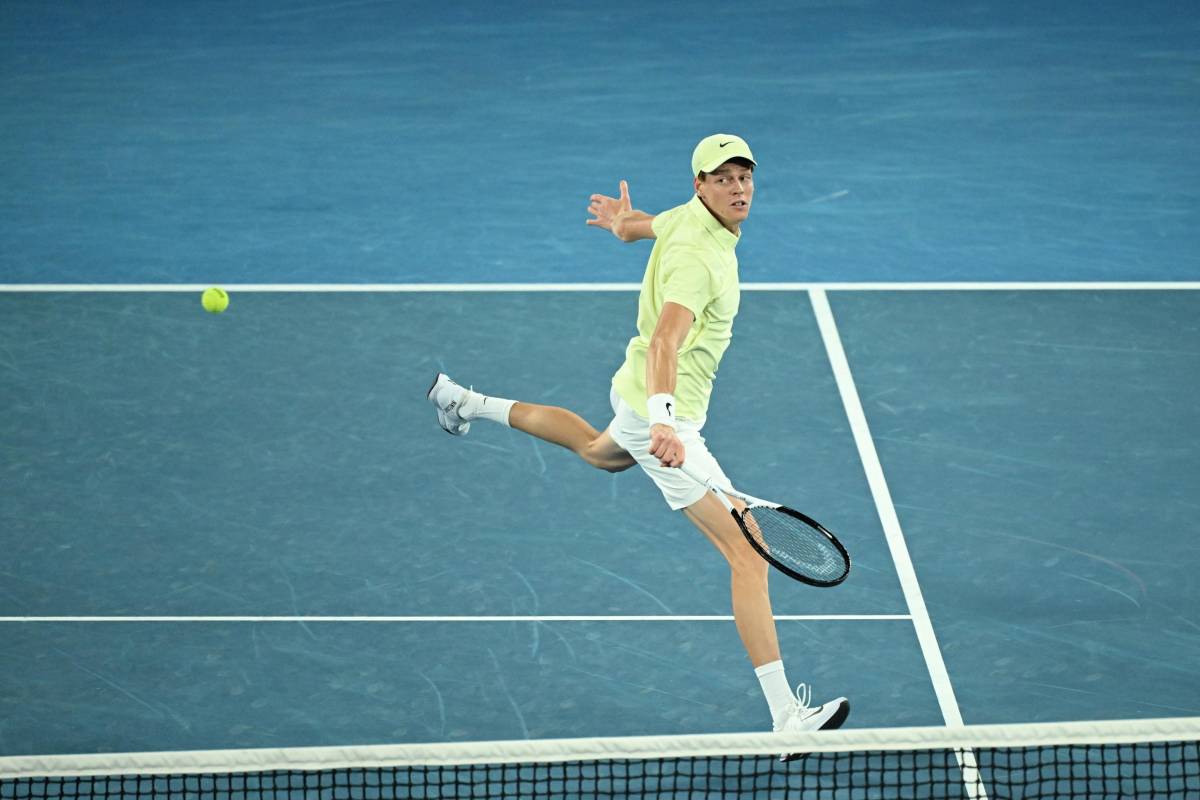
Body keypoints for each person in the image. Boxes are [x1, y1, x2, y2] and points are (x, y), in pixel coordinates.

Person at [427, 134, 849, 740]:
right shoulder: (698, 261)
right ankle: (786, 716)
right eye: (723, 179)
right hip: (661, 411)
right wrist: (661, 421)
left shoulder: (686, 218)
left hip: (635, 393)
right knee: (747, 549)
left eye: (743, 178)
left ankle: (464, 401)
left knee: (601, 453)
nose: (737, 189)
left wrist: (625, 223)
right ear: (700, 184)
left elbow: (646, 229)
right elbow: (665, 342)